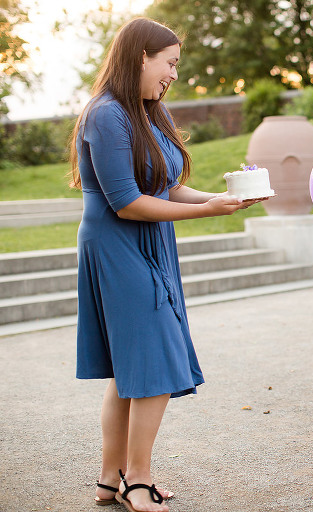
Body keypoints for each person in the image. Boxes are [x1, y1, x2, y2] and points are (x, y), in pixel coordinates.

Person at [69, 17, 266, 512]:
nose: (174, 74)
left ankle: (109, 480)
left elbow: (167, 186)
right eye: (170, 63)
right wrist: (203, 211)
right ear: (141, 57)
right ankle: (137, 479)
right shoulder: (105, 114)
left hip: (152, 240)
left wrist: (221, 198)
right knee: (153, 362)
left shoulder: (148, 111)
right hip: (116, 243)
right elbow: (126, 202)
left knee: (128, 369)